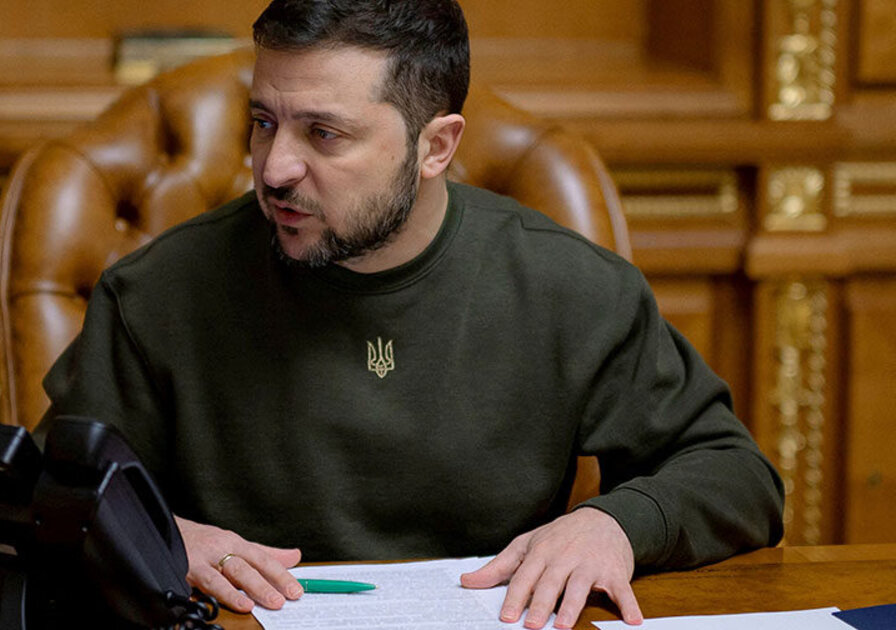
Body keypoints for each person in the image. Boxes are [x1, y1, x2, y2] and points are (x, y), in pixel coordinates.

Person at [38, 1, 785, 628]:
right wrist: (157, 535)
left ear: (436, 147)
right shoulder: (160, 291)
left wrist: (614, 525)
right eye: (264, 122)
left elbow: (737, 475)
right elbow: (40, 493)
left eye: (323, 134)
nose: (274, 168)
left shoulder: (569, 286)